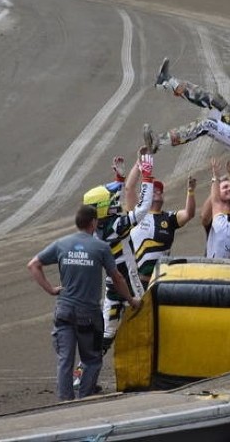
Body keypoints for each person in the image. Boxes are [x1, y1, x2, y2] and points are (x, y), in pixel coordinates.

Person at [27, 204, 139, 401]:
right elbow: (117, 278)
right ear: (94, 223)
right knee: (92, 359)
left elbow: (33, 265)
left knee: (65, 360)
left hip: (64, 310)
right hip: (88, 314)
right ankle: (85, 399)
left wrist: (51, 289)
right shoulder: (101, 247)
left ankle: (65, 402)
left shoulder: (62, 244)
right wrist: (131, 300)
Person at [82, 152, 156, 357]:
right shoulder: (114, 226)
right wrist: (148, 179)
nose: (116, 198)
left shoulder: (97, 227)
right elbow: (141, 210)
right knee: (147, 324)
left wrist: (119, 180)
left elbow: (113, 199)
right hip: (130, 286)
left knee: (105, 335)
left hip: (111, 287)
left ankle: (81, 376)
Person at [129, 174, 197, 289]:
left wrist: (190, 191)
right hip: (138, 284)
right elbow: (129, 188)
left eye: (160, 190)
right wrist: (139, 163)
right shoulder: (137, 215)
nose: (158, 191)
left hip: (161, 282)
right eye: (154, 189)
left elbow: (188, 214)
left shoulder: (169, 218)